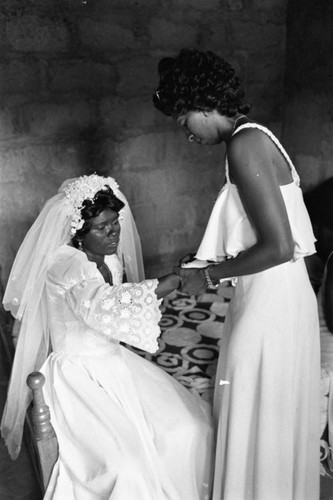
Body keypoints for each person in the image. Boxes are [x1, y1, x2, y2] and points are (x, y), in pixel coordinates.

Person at [153, 48, 321, 500]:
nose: (186, 133)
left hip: (272, 307)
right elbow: (262, 239)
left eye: (183, 119)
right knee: (263, 417)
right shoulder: (256, 138)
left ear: (205, 105)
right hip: (275, 297)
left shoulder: (245, 143)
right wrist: (205, 264)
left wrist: (206, 278)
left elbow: (280, 247)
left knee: (256, 413)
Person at [1, 174, 213, 500]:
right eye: (102, 227)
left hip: (116, 365)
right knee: (125, 465)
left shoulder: (109, 258)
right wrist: (172, 281)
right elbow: (101, 306)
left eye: (115, 223)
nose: (113, 233)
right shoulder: (64, 265)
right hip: (77, 376)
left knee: (190, 428)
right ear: (79, 233)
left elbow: (115, 311)